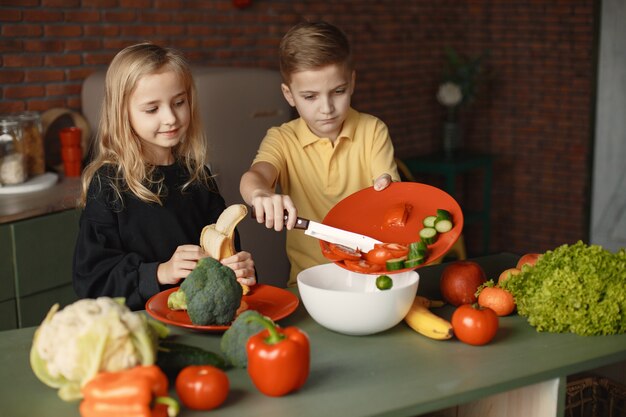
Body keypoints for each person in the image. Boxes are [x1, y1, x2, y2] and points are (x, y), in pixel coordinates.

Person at [73, 43, 256, 311]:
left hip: (197, 325)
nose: (170, 117)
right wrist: (160, 272)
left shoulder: (199, 177)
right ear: (122, 113)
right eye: (152, 109)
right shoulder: (108, 185)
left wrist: (241, 271)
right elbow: (92, 283)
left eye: (179, 102)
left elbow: (227, 262)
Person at [240, 21, 400, 286]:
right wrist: (260, 194)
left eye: (338, 92)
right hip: (308, 283)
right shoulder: (282, 139)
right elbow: (256, 175)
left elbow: (388, 190)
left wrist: (387, 188)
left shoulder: (373, 130)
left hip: (372, 275)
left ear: (352, 83)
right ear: (289, 95)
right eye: (310, 97)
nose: (327, 108)